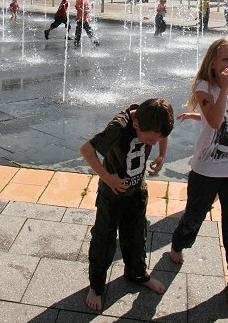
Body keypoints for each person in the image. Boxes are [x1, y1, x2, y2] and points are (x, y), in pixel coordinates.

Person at [170, 37, 228, 312]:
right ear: (213, 63)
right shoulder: (205, 87)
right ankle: (178, 243)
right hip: (205, 171)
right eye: (226, 60)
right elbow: (214, 121)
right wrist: (224, 89)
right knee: (194, 217)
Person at [80, 97, 175, 312]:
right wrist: (108, 178)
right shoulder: (119, 127)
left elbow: (162, 135)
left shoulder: (155, 120)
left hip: (137, 191)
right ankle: (96, 287)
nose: (152, 142)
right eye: (150, 139)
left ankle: (137, 274)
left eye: (156, 139)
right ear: (136, 125)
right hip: (111, 195)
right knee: (104, 238)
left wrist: (162, 155)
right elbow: (86, 150)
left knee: (136, 235)